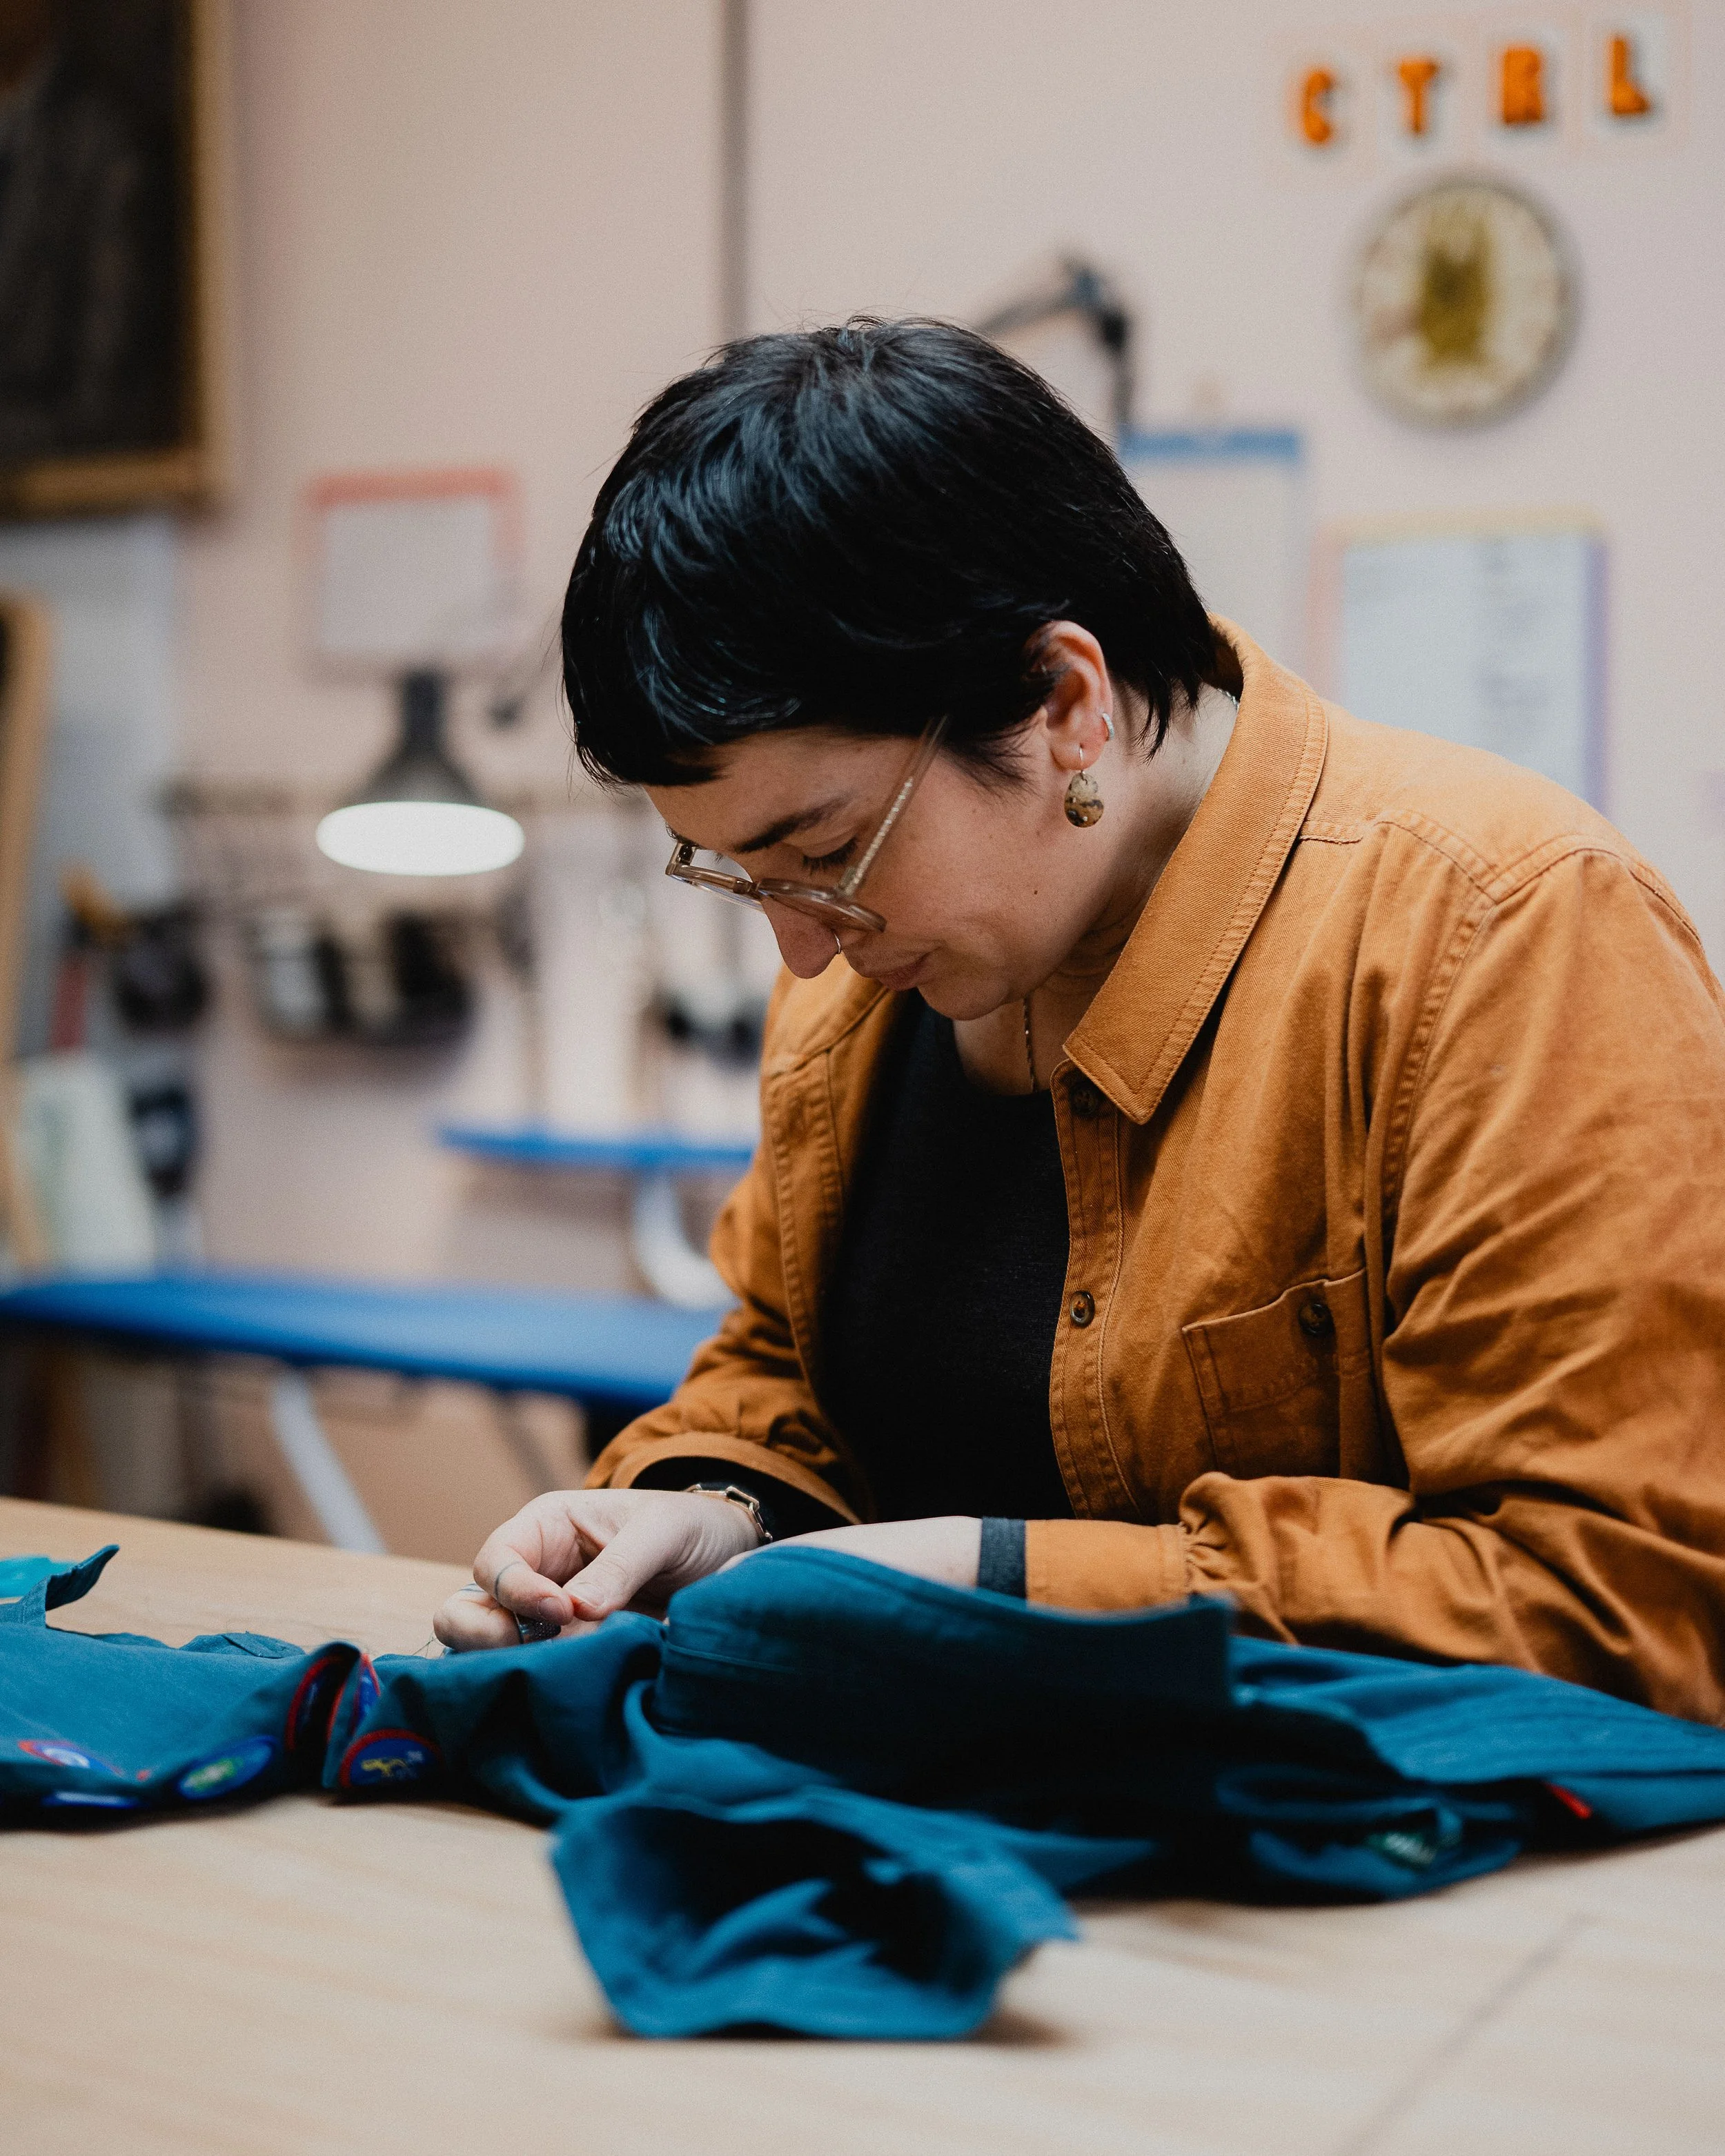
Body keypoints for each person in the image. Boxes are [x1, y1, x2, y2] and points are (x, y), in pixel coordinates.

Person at [436, 319, 1725, 1725]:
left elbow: (1616, 1602)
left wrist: (1000, 1579)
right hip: (952, 1843)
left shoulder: (1502, 932)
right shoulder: (875, 978)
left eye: (826, 849)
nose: (798, 949)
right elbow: (775, 1366)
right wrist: (708, 1508)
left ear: (1062, 703)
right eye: (736, 875)